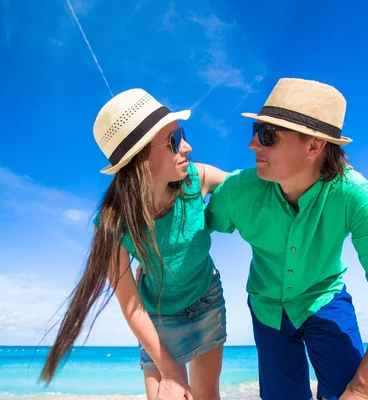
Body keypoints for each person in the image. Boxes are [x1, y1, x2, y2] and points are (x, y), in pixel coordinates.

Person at [205, 78, 368, 400]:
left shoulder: (354, 196)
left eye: (267, 135)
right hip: (266, 307)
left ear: (313, 146)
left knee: (346, 393)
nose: (253, 145)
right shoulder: (238, 192)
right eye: (255, 132)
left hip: (326, 298)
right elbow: (196, 230)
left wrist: (362, 391)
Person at [40, 88, 229, 400]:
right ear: (141, 159)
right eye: (173, 140)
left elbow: (252, 189)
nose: (187, 146)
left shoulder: (198, 179)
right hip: (156, 315)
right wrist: (168, 371)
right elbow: (130, 304)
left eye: (181, 134)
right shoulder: (114, 223)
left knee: (206, 395)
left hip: (206, 299)